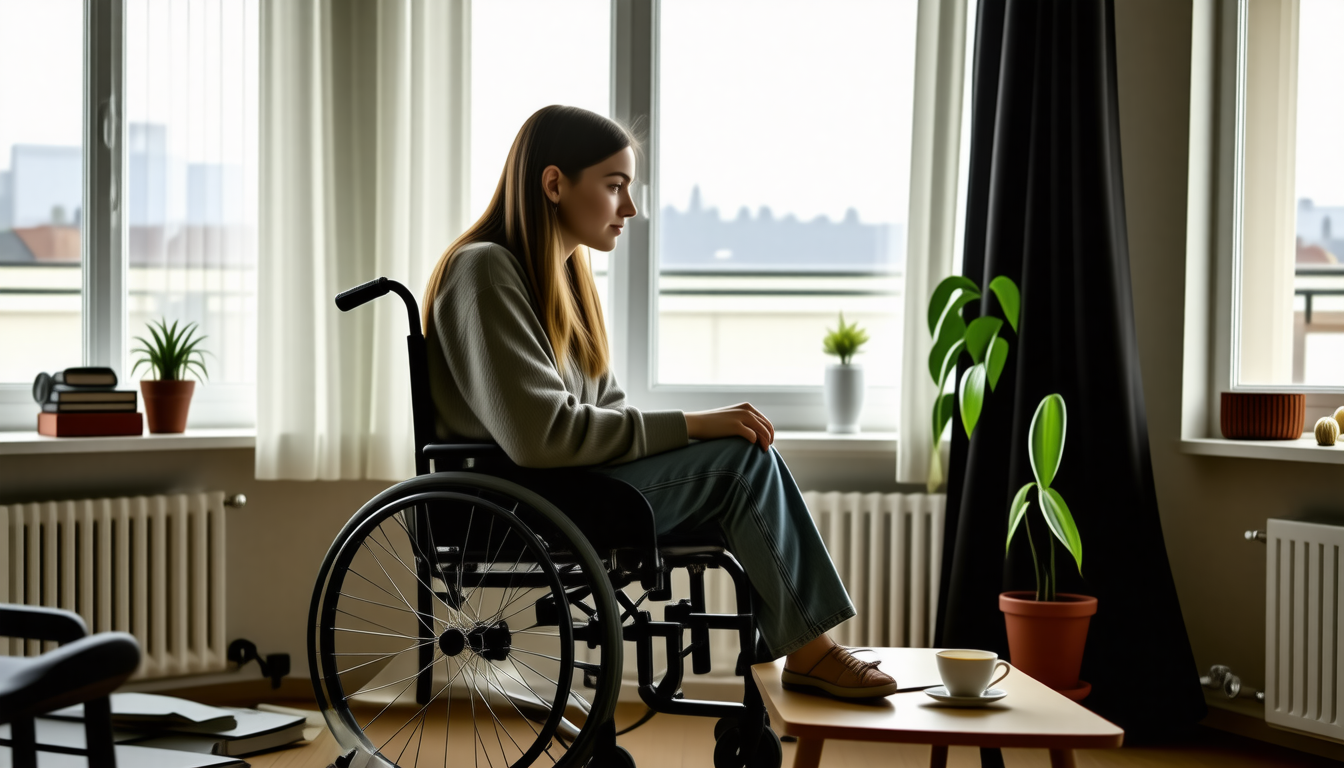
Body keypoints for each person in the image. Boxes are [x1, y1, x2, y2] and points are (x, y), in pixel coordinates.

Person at [421, 105, 895, 699]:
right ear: (555, 184)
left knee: (743, 455)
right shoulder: (485, 271)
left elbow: (609, 410)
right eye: (614, 185)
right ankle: (810, 651)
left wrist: (694, 434)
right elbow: (541, 437)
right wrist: (694, 426)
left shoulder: (566, 282)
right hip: (519, 500)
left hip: (569, 488)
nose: (630, 207)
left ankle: (802, 647)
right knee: (740, 465)